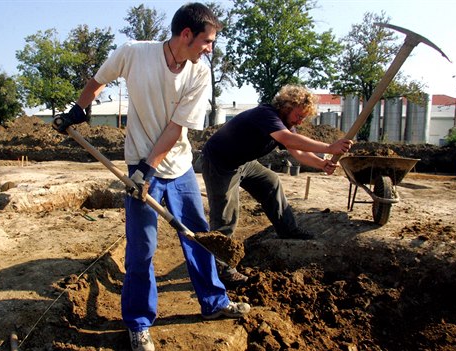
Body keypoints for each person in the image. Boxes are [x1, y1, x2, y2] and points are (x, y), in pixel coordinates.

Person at [53, 3, 250, 351]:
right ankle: (139, 323)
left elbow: (176, 128)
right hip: (138, 167)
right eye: (207, 41)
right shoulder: (133, 53)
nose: (209, 49)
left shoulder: (199, 72)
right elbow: (98, 81)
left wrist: (149, 167)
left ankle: (214, 303)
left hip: (178, 167)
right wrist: (79, 109)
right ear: (186, 34)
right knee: (142, 247)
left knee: (199, 237)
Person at [201, 85, 353, 287]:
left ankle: (288, 229)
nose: (300, 121)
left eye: (304, 118)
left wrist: (321, 163)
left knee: (270, 181)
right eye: (299, 115)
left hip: (243, 161)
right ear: (287, 106)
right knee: (226, 215)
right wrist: (328, 147)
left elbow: (297, 152)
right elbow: (288, 139)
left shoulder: (286, 124)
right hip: (220, 162)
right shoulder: (266, 114)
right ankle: (223, 269)